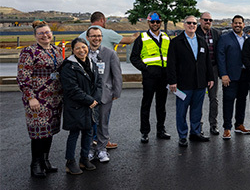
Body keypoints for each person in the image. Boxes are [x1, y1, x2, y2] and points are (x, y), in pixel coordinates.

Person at [17, 20, 64, 178]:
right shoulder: (29, 52)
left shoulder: (56, 50)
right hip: (38, 99)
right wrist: (30, 97)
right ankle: (35, 164)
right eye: (41, 33)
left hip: (55, 98)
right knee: (38, 132)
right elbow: (23, 77)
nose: (45, 35)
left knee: (49, 131)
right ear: (35, 36)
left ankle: (45, 160)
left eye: (47, 32)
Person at [167, 16, 215, 147]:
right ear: (184, 24)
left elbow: (207, 62)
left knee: (197, 110)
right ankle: (182, 136)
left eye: (194, 23)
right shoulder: (176, 42)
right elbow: (171, 63)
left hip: (200, 83)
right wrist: (172, 81)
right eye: (189, 23)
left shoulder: (201, 41)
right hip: (183, 84)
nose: (192, 25)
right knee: (181, 111)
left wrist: (210, 78)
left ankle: (195, 132)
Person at [59, 38, 102, 175]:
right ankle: (70, 162)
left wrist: (95, 99)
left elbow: (98, 83)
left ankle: (84, 159)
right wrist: (89, 100)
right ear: (73, 50)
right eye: (77, 48)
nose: (81, 50)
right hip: (76, 105)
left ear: (87, 47)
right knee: (74, 133)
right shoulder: (68, 66)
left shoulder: (91, 63)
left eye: (83, 47)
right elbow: (71, 88)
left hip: (90, 105)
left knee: (88, 132)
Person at [129, 12, 171, 143]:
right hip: (149, 77)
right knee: (146, 104)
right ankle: (145, 132)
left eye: (157, 22)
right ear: (148, 22)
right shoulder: (142, 38)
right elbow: (133, 57)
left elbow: (171, 56)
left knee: (161, 105)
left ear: (160, 22)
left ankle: (161, 130)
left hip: (163, 76)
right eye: (152, 22)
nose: (155, 24)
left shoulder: (166, 37)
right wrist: (145, 69)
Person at [86, 27, 122, 162]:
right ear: (88, 38)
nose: (96, 38)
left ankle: (102, 149)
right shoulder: (83, 52)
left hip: (105, 95)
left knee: (102, 124)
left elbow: (116, 75)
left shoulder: (110, 53)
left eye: (99, 36)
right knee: (88, 124)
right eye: (93, 36)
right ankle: (88, 149)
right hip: (88, 96)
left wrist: (116, 92)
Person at [217, 15, 250, 139]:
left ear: (243, 25)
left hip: (245, 75)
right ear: (232, 25)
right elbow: (220, 57)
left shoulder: (248, 38)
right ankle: (227, 128)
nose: (238, 25)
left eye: (240, 23)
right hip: (230, 76)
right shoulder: (225, 38)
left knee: (242, 101)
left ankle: (239, 125)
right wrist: (223, 74)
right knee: (228, 101)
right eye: (235, 23)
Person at [196, 12, 221, 135]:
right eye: (205, 20)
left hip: (213, 69)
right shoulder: (195, 33)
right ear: (200, 20)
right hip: (199, 70)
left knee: (213, 98)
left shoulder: (216, 33)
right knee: (198, 99)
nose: (208, 22)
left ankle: (213, 125)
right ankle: (197, 126)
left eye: (210, 20)